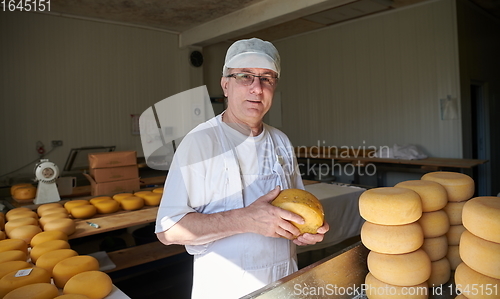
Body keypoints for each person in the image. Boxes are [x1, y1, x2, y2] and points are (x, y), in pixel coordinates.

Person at [155, 37, 329, 299]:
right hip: (225, 287)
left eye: (266, 78)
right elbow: (168, 230)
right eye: (245, 76)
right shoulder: (200, 142)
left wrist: (303, 231)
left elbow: (297, 207)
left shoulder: (281, 140)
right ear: (226, 85)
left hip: (283, 283)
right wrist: (246, 219)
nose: (256, 89)